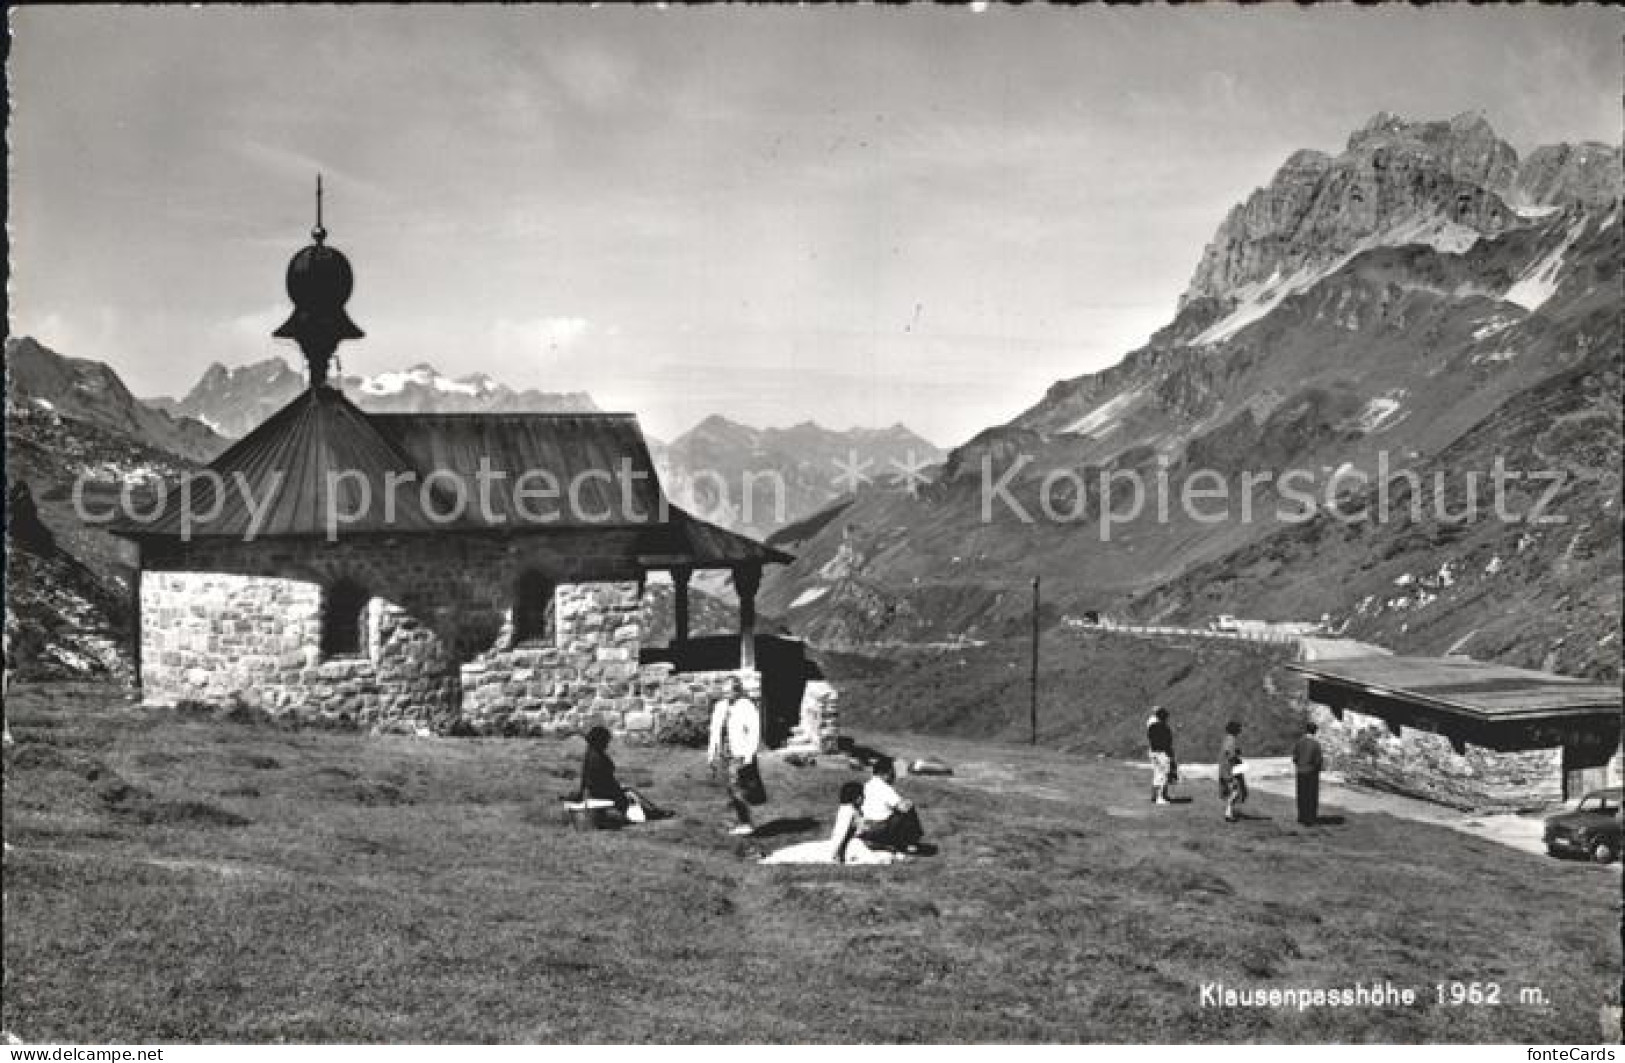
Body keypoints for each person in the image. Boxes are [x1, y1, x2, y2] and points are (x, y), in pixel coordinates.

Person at [761, 782, 899, 865]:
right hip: (845, 845)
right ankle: (773, 856)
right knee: (805, 852)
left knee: (806, 850)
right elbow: (841, 833)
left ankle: (773, 855)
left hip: (849, 844)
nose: (864, 798)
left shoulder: (854, 810)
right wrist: (835, 854)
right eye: (862, 795)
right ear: (857, 798)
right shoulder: (847, 811)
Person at [575, 725, 668, 823]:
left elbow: (585, 778)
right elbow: (605, 779)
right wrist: (619, 789)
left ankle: (652, 812)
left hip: (595, 790)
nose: (608, 743)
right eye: (606, 740)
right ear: (600, 741)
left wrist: (582, 792)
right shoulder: (597, 758)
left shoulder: (590, 753)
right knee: (630, 795)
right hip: (602, 791)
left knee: (629, 793)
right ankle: (651, 813)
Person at [708, 676, 765, 836]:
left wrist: (749, 755)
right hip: (724, 752)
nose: (726, 695)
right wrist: (711, 753)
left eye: (730, 691)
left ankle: (747, 823)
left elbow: (754, 732)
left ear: (737, 691)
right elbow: (714, 731)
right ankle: (742, 820)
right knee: (730, 789)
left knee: (737, 786)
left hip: (739, 753)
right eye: (724, 692)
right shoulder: (720, 706)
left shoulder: (746, 706)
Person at [858, 757, 924, 853]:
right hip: (878, 829)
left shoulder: (866, 785)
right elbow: (903, 807)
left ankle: (893, 841)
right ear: (886, 773)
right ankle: (910, 842)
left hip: (863, 828)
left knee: (897, 810)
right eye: (892, 773)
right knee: (908, 808)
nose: (894, 776)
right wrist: (908, 802)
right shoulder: (885, 788)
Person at [1292, 721, 1325, 826]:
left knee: (1301, 794)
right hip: (1311, 772)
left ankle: (1301, 817)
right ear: (1315, 731)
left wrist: (1300, 766)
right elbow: (1318, 760)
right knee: (1311, 796)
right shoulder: (1316, 744)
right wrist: (1317, 769)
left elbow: (1295, 758)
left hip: (1300, 771)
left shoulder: (1299, 742)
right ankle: (1310, 818)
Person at [1146, 706, 1178, 805]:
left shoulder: (1151, 725)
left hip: (1153, 752)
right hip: (1161, 753)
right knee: (1163, 775)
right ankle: (1160, 797)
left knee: (1157, 774)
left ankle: (1155, 796)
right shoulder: (1163, 727)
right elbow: (1167, 742)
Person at [1219, 720, 1247, 822]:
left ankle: (1229, 812)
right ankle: (1228, 813)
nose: (1240, 730)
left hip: (1226, 768)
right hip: (1229, 769)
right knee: (1234, 791)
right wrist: (1237, 759)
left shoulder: (1228, 739)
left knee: (1233, 791)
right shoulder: (1231, 740)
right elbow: (1229, 754)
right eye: (1239, 728)